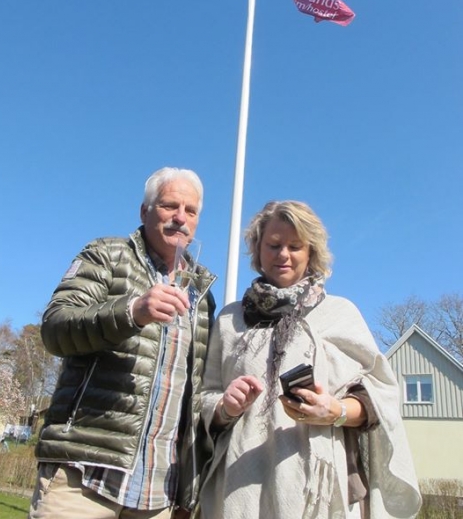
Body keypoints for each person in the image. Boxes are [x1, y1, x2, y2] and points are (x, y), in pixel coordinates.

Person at [199, 200, 421, 519]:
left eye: (295, 246)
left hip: (319, 492)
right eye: (274, 244)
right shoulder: (229, 320)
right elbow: (204, 398)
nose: (283, 254)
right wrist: (224, 407)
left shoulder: (340, 314)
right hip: (238, 485)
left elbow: (379, 400)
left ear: (311, 253)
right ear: (257, 249)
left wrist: (336, 411)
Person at [29, 167, 217, 519]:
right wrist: (132, 311)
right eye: (169, 206)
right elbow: (55, 328)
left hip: (158, 491)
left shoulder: (201, 293)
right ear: (144, 211)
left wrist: (186, 491)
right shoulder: (107, 255)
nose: (180, 218)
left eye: (190, 211)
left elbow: (192, 397)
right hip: (83, 475)